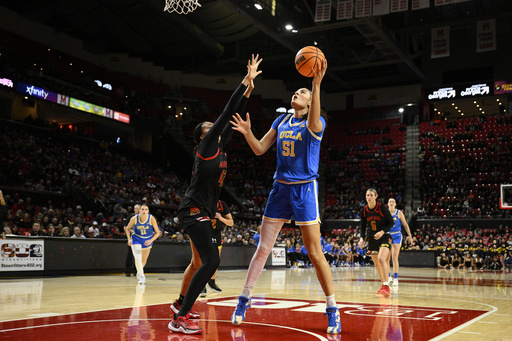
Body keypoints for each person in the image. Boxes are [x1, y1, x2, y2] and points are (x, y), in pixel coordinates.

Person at [230, 58, 342, 334]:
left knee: (315, 253)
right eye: (297, 91)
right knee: (263, 249)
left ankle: (332, 308)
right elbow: (259, 149)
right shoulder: (281, 120)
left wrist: (316, 85)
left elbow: (315, 115)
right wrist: (247, 133)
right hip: (280, 188)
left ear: (310, 101)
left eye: (302, 92)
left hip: (305, 189)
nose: (297, 93)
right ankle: (244, 299)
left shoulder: (316, 124)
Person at [168, 54, 262, 335]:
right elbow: (225, 115)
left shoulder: (220, 147)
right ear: (201, 137)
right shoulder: (207, 146)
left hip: (204, 212)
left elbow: (233, 116)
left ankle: (181, 304)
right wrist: (243, 81)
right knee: (212, 261)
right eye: (208, 129)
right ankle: (179, 319)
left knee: (200, 262)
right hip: (193, 210)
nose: (214, 129)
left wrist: (249, 90)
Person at [358, 188, 394, 298]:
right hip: (373, 238)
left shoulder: (382, 207)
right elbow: (363, 227)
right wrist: (361, 238)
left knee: (381, 259)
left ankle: (386, 285)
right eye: (367, 195)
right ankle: (384, 285)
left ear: (376, 196)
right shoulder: (364, 210)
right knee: (377, 264)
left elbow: (391, 223)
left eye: (371, 195)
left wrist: (382, 232)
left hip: (385, 236)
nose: (369, 197)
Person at [125, 204, 161, 285]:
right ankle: (142, 276)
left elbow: (158, 232)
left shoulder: (151, 218)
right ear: (139, 211)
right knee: (137, 256)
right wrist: (129, 239)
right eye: (142, 209)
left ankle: (139, 272)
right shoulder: (134, 218)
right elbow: (127, 228)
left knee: (143, 261)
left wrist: (151, 240)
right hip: (136, 238)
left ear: (148, 211)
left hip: (147, 239)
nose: (144, 211)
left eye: (146, 209)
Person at [206, 199, 234, 294]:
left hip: (216, 234)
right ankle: (200, 284)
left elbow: (231, 222)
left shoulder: (221, 204)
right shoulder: (202, 202)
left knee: (215, 261)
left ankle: (212, 282)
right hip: (204, 233)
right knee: (202, 261)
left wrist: (221, 218)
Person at [386, 198, 413, 286]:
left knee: (394, 257)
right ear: (387, 204)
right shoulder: (385, 213)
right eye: (390, 202)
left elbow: (405, 225)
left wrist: (410, 237)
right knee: (386, 258)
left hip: (397, 235)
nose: (391, 203)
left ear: (395, 204)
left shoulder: (399, 213)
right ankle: (389, 276)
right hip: (388, 235)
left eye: (393, 202)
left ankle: (396, 278)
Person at [124, 204, 140, 277]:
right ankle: (127, 270)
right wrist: (132, 232)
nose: (138, 210)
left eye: (139, 209)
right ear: (134, 210)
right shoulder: (130, 218)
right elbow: (125, 228)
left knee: (138, 255)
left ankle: (136, 271)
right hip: (132, 238)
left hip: (139, 239)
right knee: (130, 254)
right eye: (136, 209)